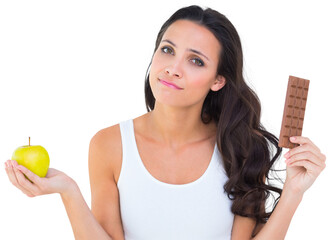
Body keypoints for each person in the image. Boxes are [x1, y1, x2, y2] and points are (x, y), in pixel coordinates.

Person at [4, 5, 326, 240]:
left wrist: (294, 192)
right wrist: (68, 192)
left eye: (196, 60)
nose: (173, 68)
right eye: (167, 50)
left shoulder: (240, 147)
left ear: (218, 80)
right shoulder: (109, 145)